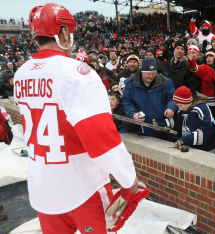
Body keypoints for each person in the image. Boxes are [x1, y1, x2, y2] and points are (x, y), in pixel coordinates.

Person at [16, 3, 142, 233]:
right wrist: (127, 176)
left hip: (43, 184)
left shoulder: (22, 73)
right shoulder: (77, 73)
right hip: (82, 185)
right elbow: (100, 137)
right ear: (64, 32)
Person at [123, 57, 177, 140]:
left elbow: (173, 98)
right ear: (142, 72)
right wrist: (133, 114)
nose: (151, 77)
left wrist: (171, 108)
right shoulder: (131, 83)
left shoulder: (166, 83)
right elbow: (127, 102)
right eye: (148, 74)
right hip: (141, 129)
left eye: (153, 74)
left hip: (162, 128)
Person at [158, 86, 215, 153]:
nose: (179, 108)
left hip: (210, 151)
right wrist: (164, 123)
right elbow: (178, 123)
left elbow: (205, 134)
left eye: (180, 105)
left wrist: (184, 140)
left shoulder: (202, 109)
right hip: (194, 149)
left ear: (186, 102)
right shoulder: (183, 109)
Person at [188, 48, 215, 114]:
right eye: (207, 57)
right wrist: (191, 60)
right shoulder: (205, 68)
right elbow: (195, 68)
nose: (208, 59)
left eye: (211, 56)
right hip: (206, 101)